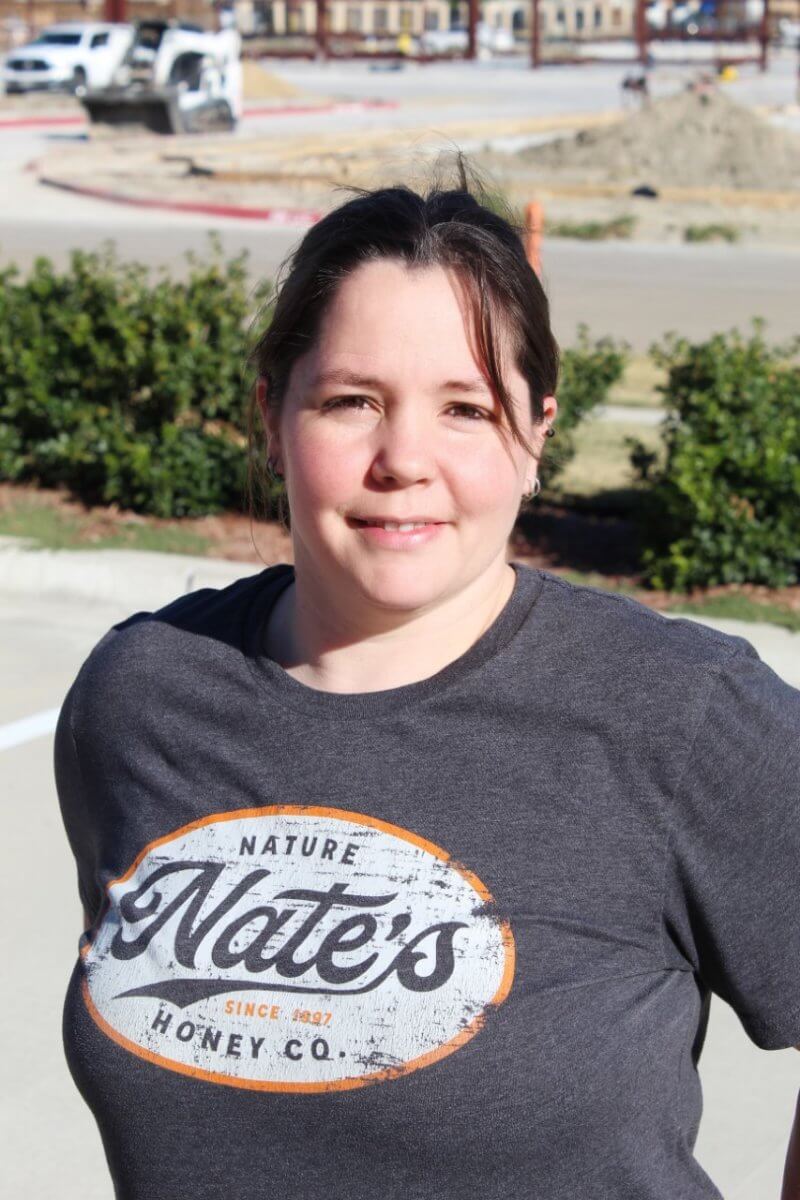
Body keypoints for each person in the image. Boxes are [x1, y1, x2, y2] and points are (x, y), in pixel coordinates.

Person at [55, 159, 800, 1200]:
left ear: (535, 433)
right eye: (352, 400)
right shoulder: (142, 696)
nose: (403, 456)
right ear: (274, 418)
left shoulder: (682, 716)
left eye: (463, 407)